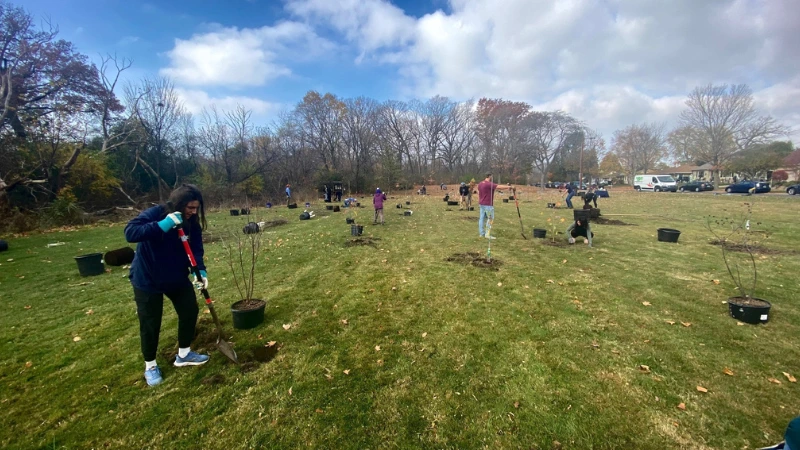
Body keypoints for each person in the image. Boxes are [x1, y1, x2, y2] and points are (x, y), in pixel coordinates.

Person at [124, 184, 210, 387]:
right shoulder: (157, 213)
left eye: (196, 208)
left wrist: (200, 271)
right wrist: (162, 224)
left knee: (189, 310)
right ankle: (150, 365)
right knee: (150, 322)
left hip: (176, 276)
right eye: (189, 207)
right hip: (148, 278)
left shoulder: (192, 223)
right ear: (178, 204)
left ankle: (184, 354)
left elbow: (196, 248)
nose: (193, 212)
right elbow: (130, 232)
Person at [478, 173, 499, 239]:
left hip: (481, 204)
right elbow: (498, 187)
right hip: (488, 205)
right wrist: (509, 187)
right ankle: (487, 234)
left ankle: (481, 233)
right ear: (490, 176)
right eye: (492, 176)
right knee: (490, 218)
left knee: (481, 218)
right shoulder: (489, 184)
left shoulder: (480, 184)